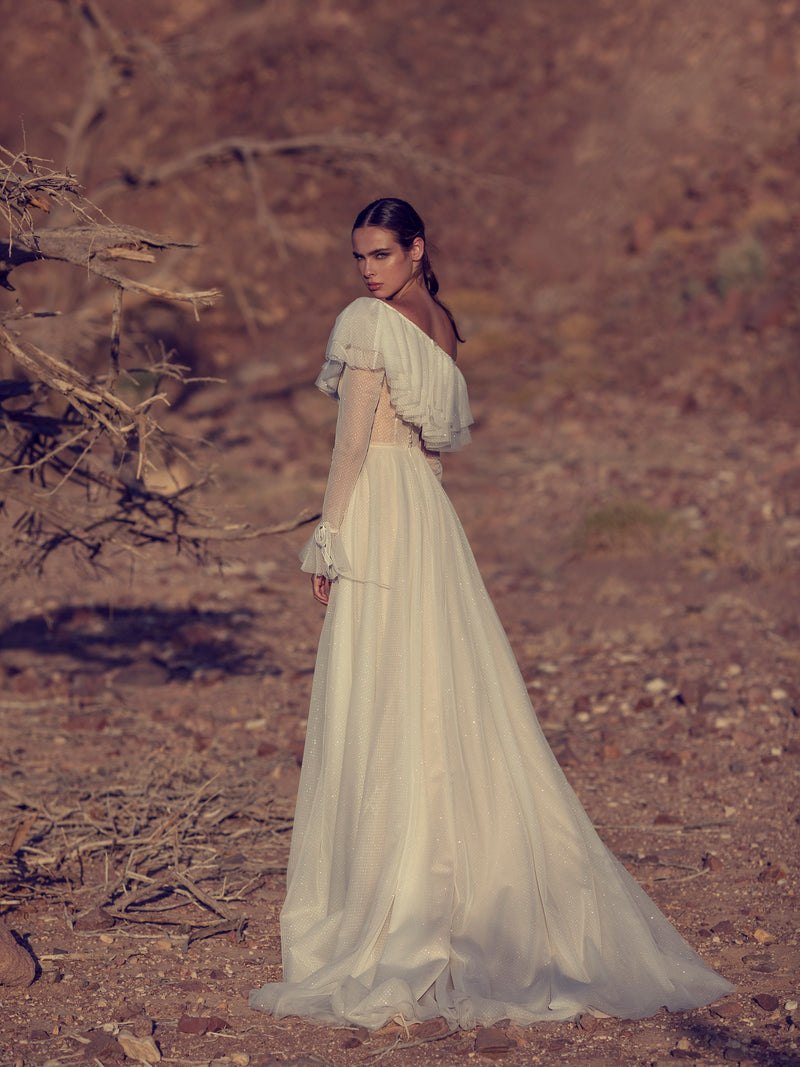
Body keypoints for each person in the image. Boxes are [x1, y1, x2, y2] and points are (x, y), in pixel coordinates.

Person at [249, 198, 733, 1031]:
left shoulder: (368, 323)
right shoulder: (439, 325)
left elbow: (351, 446)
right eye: (359, 257)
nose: (367, 270)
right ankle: (452, 878)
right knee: (444, 692)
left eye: (380, 253)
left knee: (386, 696)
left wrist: (327, 536)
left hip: (380, 511)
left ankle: (397, 892)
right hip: (429, 518)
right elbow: (434, 448)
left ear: (415, 249)